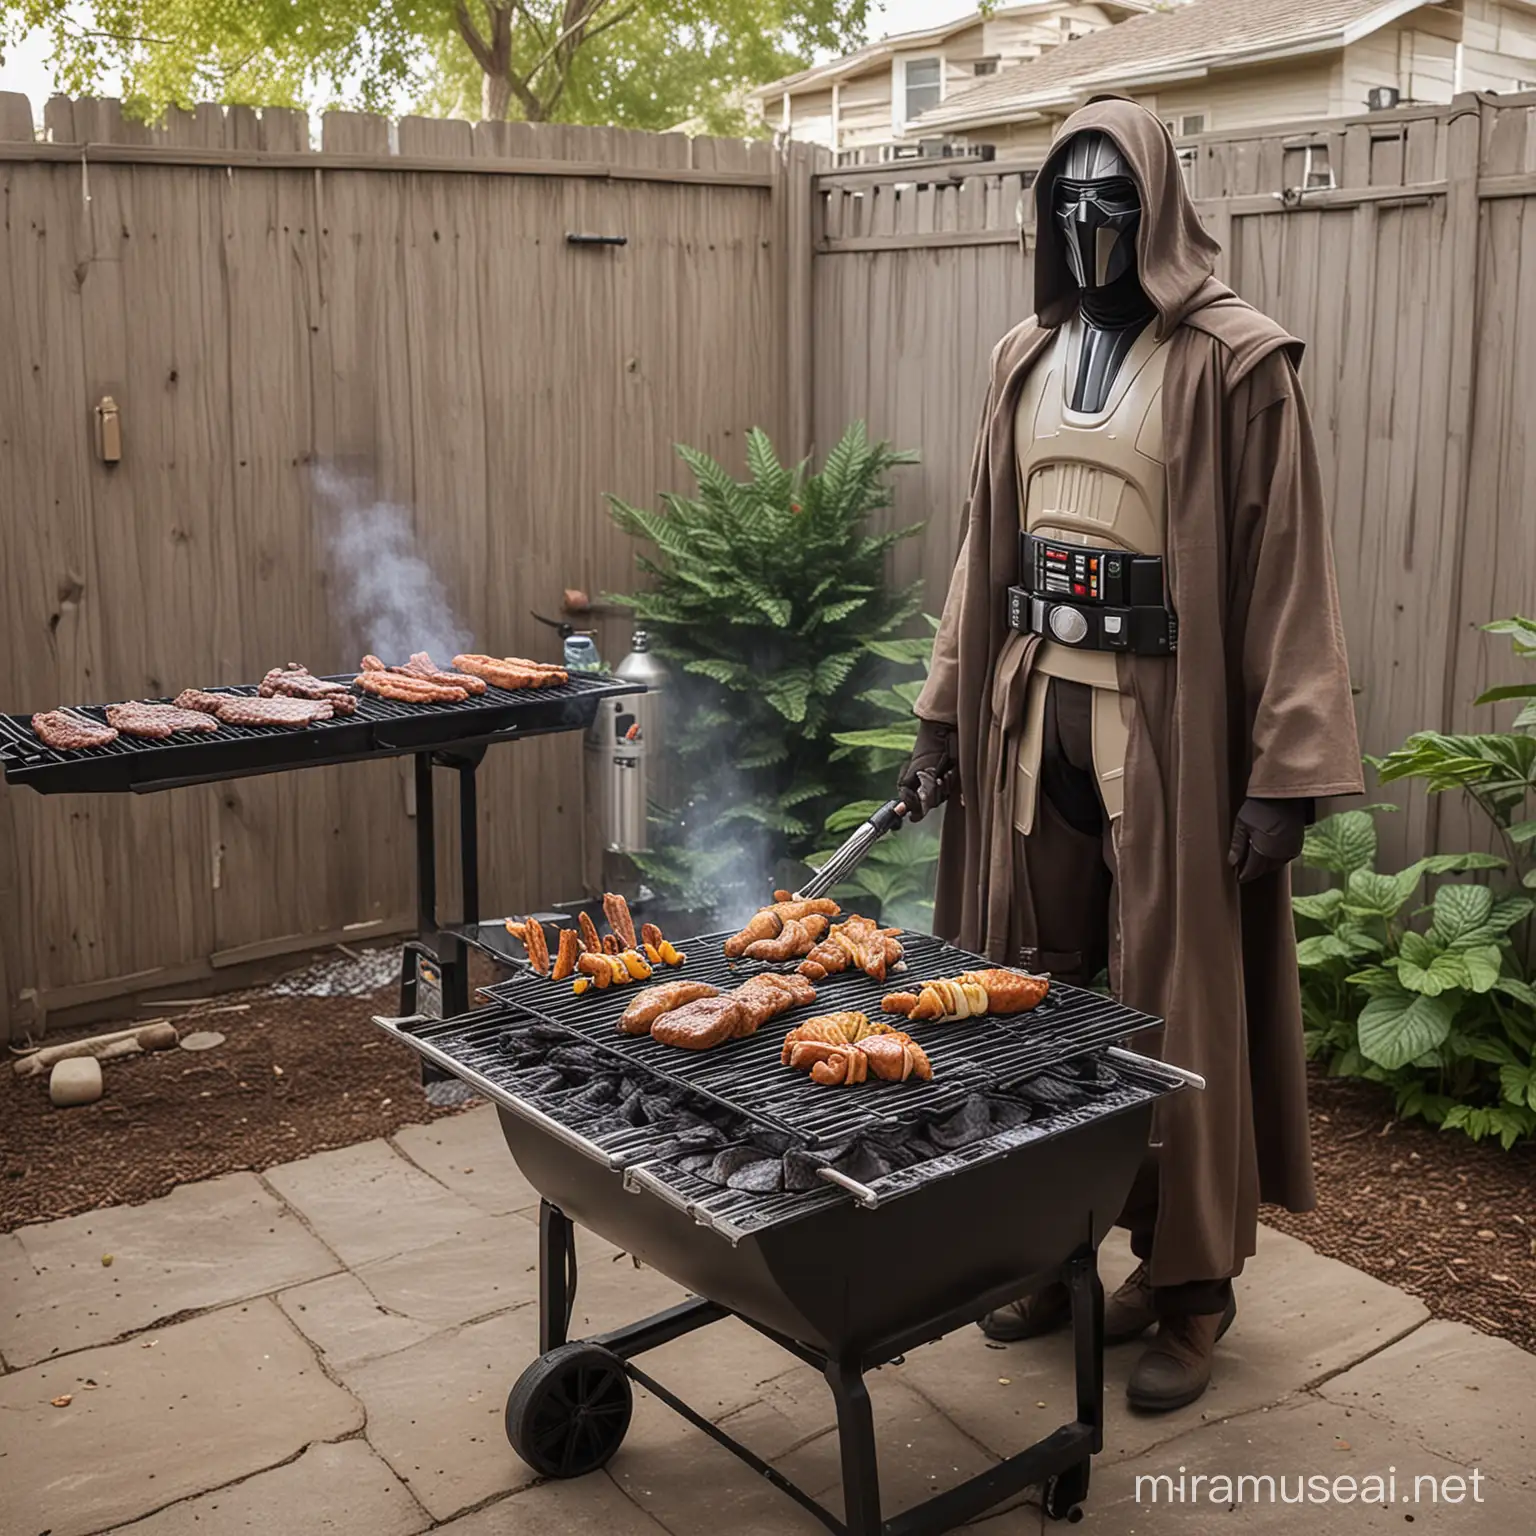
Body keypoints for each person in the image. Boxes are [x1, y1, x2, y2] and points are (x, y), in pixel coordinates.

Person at [897, 96, 1363, 1413]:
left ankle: (1187, 1283)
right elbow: (982, 553)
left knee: (1171, 1008)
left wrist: (1286, 772)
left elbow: (1289, 573)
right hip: (1034, 712)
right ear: (1043, 217)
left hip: (1166, 734)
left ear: (1158, 208)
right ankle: (1047, 1246)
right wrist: (942, 722)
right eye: (1066, 201)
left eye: (1112, 199)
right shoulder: (1021, 360)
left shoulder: (1235, 362)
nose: (1088, 223)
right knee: (1028, 994)